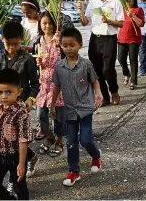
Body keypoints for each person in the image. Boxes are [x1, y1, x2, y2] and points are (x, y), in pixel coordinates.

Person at [50, 28, 103, 187]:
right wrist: (52, 105)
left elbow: (94, 81)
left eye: (72, 45)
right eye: (65, 45)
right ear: (61, 47)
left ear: (80, 45)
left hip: (85, 108)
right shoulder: (59, 66)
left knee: (85, 139)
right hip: (69, 111)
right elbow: (56, 87)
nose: (68, 48)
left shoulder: (86, 64)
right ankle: (74, 171)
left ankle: (96, 155)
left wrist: (98, 94)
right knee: (71, 142)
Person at [0, 21, 40, 179]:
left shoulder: (27, 59)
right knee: (5, 139)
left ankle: (14, 179)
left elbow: (35, 84)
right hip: (1, 106)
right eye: (8, 43)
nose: (11, 47)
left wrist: (30, 100)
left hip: (19, 107)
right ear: (2, 39)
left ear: (22, 39)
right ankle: (30, 156)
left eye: (15, 44)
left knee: (17, 141)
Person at [77, 0, 124, 106]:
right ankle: (104, 96)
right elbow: (85, 22)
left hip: (109, 38)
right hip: (95, 39)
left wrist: (109, 21)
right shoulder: (93, 3)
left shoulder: (115, 2)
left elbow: (121, 24)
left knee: (108, 69)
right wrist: (80, 10)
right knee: (96, 70)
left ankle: (114, 91)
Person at [0, 69, 33, 200]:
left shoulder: (21, 114)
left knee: (20, 187)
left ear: (19, 92)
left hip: (16, 157)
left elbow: (23, 140)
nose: (4, 96)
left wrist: (22, 163)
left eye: (9, 92)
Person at [34, 11, 65, 157]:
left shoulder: (59, 39)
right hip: (44, 83)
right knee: (41, 114)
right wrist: (37, 62)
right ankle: (49, 136)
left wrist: (62, 44)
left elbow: (70, 55)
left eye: (50, 23)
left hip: (58, 82)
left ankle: (60, 139)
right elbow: (35, 60)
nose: (47, 26)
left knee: (59, 115)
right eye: (44, 23)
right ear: (40, 24)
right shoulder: (37, 41)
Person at [117, 0, 145, 90]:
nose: (129, 3)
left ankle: (133, 81)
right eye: (127, 1)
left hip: (134, 39)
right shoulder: (121, 10)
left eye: (131, 0)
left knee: (133, 60)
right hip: (122, 38)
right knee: (120, 58)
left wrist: (132, 16)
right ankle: (126, 73)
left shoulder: (138, 10)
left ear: (134, 1)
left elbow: (141, 24)